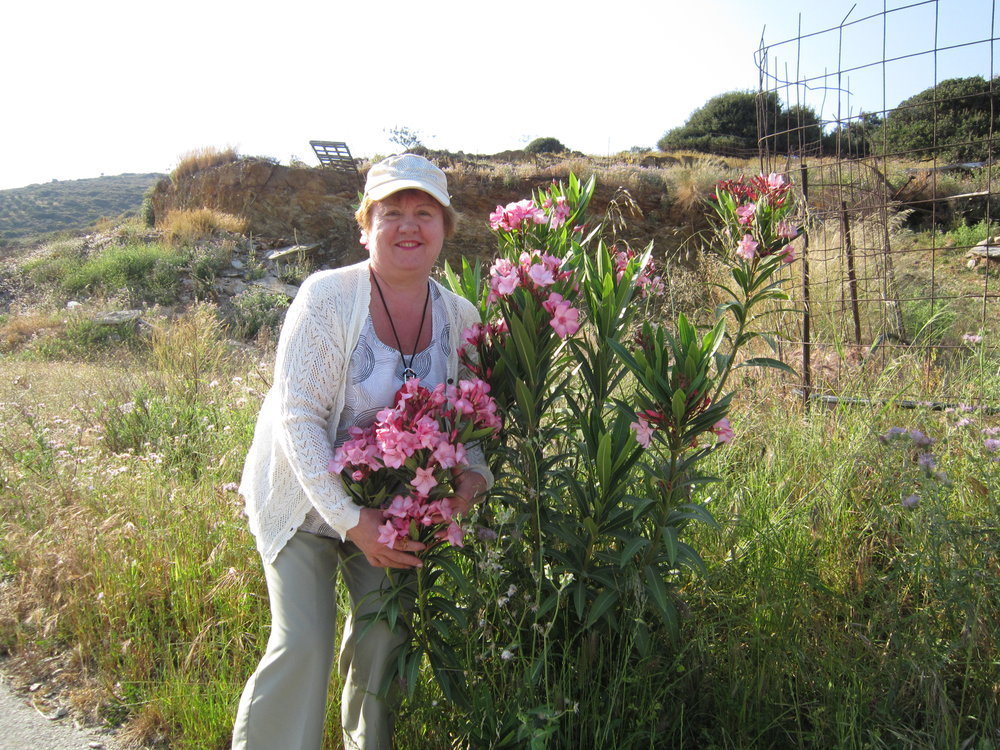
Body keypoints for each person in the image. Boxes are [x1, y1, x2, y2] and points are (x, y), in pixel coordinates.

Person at [232, 154, 492, 750]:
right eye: (391, 212)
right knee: (303, 642)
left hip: (389, 512)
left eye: (424, 212)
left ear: (445, 229)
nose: (409, 225)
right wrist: (350, 521)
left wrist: (466, 491)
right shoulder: (327, 297)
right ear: (364, 226)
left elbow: (472, 434)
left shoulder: (462, 317)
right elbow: (297, 419)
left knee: (382, 639)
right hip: (301, 498)